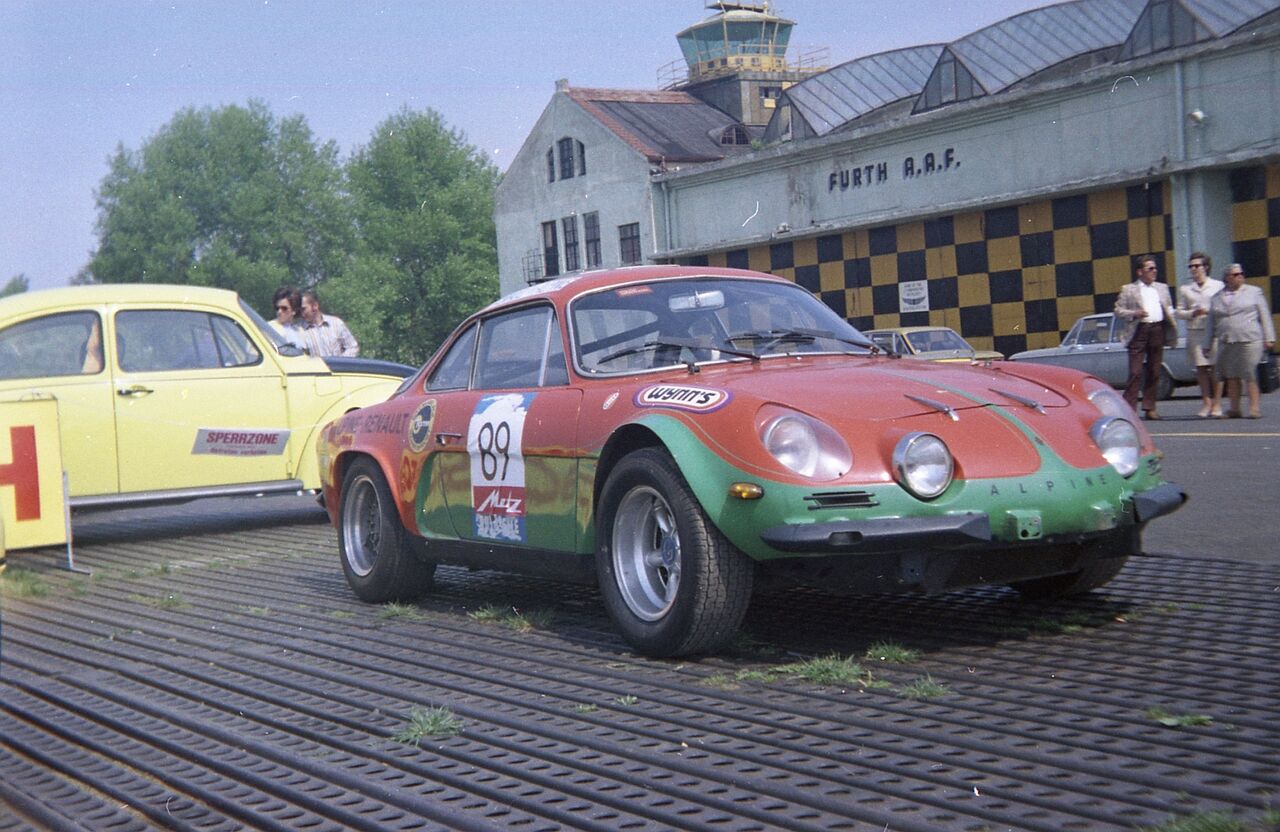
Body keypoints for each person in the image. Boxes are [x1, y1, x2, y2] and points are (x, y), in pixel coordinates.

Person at [1204, 263, 1275, 419]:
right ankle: (1234, 409)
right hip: (1227, 340)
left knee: (1249, 372)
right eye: (1235, 274)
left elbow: (1264, 315)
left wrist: (1269, 337)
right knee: (1231, 375)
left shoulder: (1254, 292)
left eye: (1241, 273)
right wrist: (1206, 344)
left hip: (1249, 339)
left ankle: (1254, 408)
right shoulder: (1216, 297)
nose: (1240, 276)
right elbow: (1211, 323)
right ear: (1227, 278)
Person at [1114, 254, 1177, 419]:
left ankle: (1150, 407)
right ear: (1140, 272)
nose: (1154, 271)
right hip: (1139, 331)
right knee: (1135, 372)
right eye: (1150, 269)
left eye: (1155, 268)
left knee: (1155, 370)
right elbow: (1118, 310)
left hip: (1157, 329)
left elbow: (1169, 308)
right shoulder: (1129, 289)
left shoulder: (1162, 288)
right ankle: (1129, 409)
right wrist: (1135, 313)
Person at [1174, 251, 1224, 418]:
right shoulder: (1185, 289)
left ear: (1206, 267)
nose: (1193, 269)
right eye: (1191, 266)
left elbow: (1223, 306)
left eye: (1197, 266)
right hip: (1195, 332)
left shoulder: (1217, 286)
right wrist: (1192, 313)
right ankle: (1206, 402)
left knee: (1215, 368)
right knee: (1201, 368)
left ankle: (1217, 403)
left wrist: (1210, 311)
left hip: (1213, 332)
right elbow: (1179, 312)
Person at [300, 289, 359, 357]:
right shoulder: (299, 331)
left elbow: (352, 347)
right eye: (299, 310)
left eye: (303, 309)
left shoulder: (336, 323)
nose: (301, 313)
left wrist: (341, 361)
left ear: (315, 306)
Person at [268, 286, 307, 352]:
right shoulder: (269, 328)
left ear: (294, 310)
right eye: (277, 308)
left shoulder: (300, 331)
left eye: (284, 308)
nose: (279, 311)